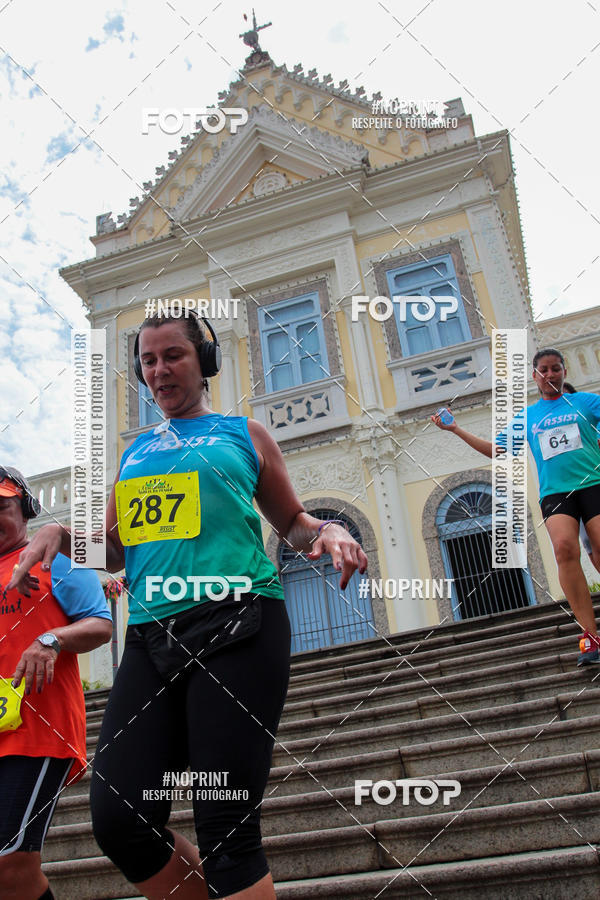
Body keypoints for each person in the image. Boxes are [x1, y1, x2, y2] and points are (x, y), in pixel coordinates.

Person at [9, 311, 368, 900]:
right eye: (148, 361)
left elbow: (293, 523)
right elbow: (113, 550)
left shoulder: (243, 434)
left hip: (240, 624)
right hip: (151, 637)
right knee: (119, 817)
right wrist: (62, 535)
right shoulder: (134, 455)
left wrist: (325, 529)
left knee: (225, 824)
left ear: (204, 361)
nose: (159, 371)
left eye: (172, 355)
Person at [431, 347, 600, 666]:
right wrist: (455, 429)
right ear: (534, 376)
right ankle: (590, 638)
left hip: (594, 485)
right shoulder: (529, 416)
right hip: (556, 493)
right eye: (544, 370)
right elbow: (495, 450)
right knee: (564, 548)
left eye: (556, 369)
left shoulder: (585, 402)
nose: (550, 374)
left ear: (564, 372)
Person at [0, 466, 112, 900]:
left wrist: (49, 640)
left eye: (1, 507)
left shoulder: (58, 558)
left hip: (38, 733)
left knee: (10, 862)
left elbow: (100, 624)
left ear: (26, 509)